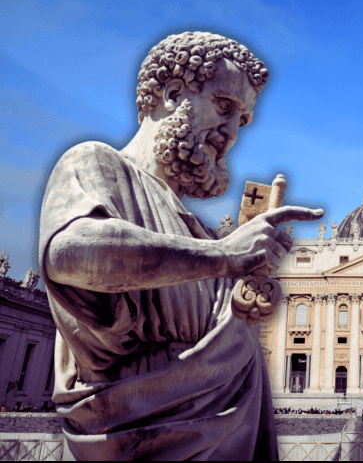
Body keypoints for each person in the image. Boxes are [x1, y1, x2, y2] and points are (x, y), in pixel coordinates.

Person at [38, 32, 323, 460]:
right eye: (225, 107)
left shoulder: (197, 231)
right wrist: (226, 256)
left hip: (223, 435)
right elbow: (71, 253)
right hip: (134, 430)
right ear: (172, 93)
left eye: (242, 120)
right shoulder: (95, 164)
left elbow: (212, 322)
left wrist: (243, 303)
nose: (230, 132)